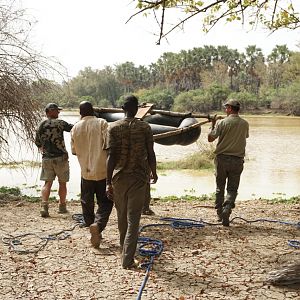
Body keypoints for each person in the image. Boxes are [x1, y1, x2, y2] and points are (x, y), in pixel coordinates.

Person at [106, 95, 158, 269]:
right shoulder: (145, 127)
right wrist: (154, 172)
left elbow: (111, 157)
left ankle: (125, 251)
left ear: (122, 108)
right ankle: (127, 258)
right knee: (133, 220)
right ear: (137, 109)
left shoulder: (113, 127)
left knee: (122, 218)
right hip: (138, 177)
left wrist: (108, 182)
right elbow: (151, 153)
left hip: (119, 178)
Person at [70, 101, 113, 248]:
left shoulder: (75, 127)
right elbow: (108, 145)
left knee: (86, 202)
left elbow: (74, 151)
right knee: (106, 202)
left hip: (85, 173)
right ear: (93, 110)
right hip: (102, 171)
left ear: (80, 113)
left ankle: (92, 228)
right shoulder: (102, 123)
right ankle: (98, 226)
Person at [208, 99, 249, 227]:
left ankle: (220, 213)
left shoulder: (222, 123)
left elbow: (210, 138)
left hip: (222, 160)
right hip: (237, 160)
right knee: (232, 188)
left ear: (230, 109)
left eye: (226, 108)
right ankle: (227, 208)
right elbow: (245, 137)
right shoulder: (245, 124)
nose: (225, 110)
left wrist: (213, 125)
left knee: (220, 187)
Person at [35, 103, 73, 217]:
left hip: (46, 158)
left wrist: (44, 148)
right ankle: (62, 207)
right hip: (61, 157)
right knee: (62, 183)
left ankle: (44, 206)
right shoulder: (60, 123)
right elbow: (73, 128)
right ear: (50, 111)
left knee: (47, 183)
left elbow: (37, 142)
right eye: (57, 110)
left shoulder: (41, 124)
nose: (58, 112)